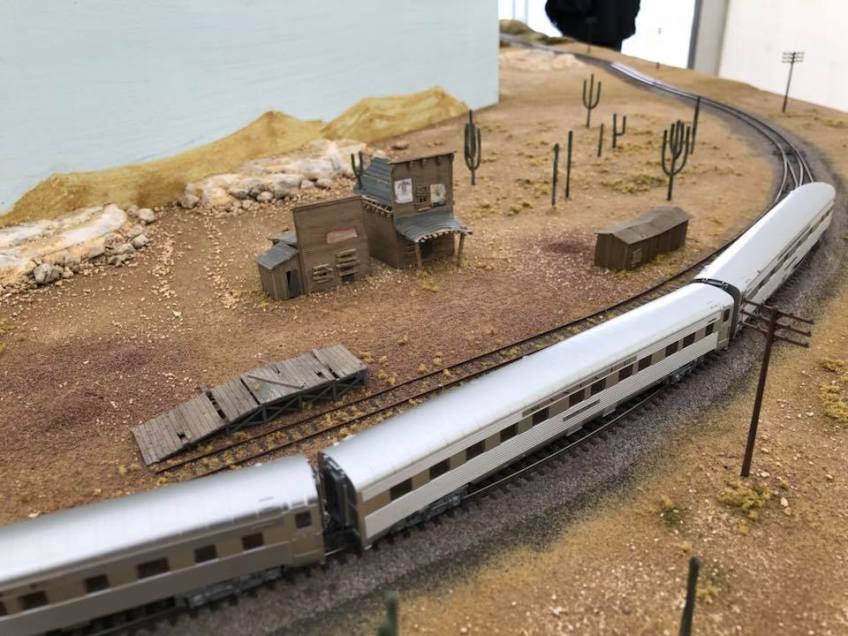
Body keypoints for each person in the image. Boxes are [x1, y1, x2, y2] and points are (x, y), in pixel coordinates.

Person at [545, 0, 641, 52]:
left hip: (585, 31)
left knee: (580, 76)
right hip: (616, 27)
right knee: (607, 75)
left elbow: (577, 4)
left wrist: (553, 8)